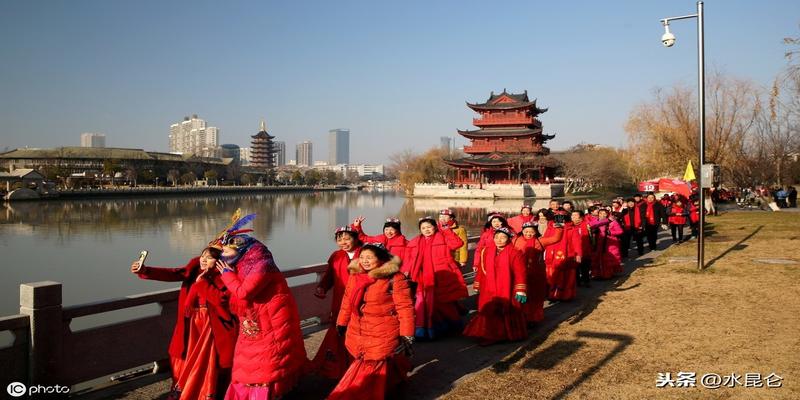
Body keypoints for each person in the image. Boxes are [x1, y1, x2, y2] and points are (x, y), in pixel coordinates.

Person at [212, 210, 307, 399]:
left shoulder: (261, 265)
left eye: (225, 251)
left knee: (268, 361)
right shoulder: (240, 265)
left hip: (271, 321)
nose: (222, 256)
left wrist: (227, 274)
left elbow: (244, 292)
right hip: (254, 321)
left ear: (242, 249)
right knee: (248, 362)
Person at [132, 247, 237, 400]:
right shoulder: (193, 270)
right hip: (190, 325)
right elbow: (172, 273)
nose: (203, 260)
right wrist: (145, 270)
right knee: (184, 360)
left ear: (220, 260)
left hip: (210, 328)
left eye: (209, 257)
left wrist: (202, 283)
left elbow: (221, 301)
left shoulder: (225, 276)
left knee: (207, 363)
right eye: (202, 256)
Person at [328, 243, 414, 400]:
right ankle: (390, 386)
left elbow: (405, 307)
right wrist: (341, 323)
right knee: (374, 362)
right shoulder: (355, 276)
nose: (365, 261)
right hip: (358, 328)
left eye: (369, 257)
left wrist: (407, 333)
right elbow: (347, 301)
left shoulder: (395, 278)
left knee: (371, 365)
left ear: (381, 259)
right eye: (362, 257)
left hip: (383, 329)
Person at [310, 226, 362, 379]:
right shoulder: (336, 256)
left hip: (361, 301)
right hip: (340, 301)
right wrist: (322, 287)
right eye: (339, 239)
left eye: (347, 239)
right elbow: (329, 276)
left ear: (356, 238)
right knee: (339, 331)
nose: (343, 242)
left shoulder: (366, 254)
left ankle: (358, 366)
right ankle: (339, 366)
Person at [404, 216, 468, 339]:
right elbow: (409, 259)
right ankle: (424, 329)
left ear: (435, 227)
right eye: (423, 228)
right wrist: (406, 271)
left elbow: (458, 243)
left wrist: (446, 230)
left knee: (444, 302)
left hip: (441, 275)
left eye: (429, 227)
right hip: (421, 277)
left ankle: (451, 327)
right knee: (423, 303)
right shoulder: (415, 241)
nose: (426, 230)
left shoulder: (443, 237)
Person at [464, 227, 527, 345]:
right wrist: (477, 284)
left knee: (504, 310)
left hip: (507, 287)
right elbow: (482, 271)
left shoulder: (515, 253)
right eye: (496, 237)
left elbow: (520, 272)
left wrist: (520, 289)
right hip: (488, 286)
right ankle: (488, 334)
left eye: (503, 237)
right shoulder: (486, 251)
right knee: (488, 309)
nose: (499, 240)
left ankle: (504, 334)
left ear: (509, 239)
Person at [513, 221, 562, 324]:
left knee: (536, 296)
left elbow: (556, 238)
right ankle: (522, 316)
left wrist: (559, 228)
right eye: (526, 231)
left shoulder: (540, 241)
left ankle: (534, 317)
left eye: (531, 231)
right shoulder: (516, 240)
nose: (528, 234)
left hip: (537, 273)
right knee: (522, 295)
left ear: (536, 232)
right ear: (522, 231)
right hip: (520, 272)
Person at [589, 209, 624, 279]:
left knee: (608, 259)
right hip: (598, 242)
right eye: (600, 213)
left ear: (607, 214)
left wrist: (611, 233)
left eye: (604, 214)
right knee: (597, 258)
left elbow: (620, 231)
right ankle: (597, 274)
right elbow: (590, 227)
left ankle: (608, 274)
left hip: (609, 242)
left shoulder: (613, 222)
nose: (602, 215)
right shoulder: (595, 221)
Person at [571, 210, 593, 288]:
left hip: (586, 249)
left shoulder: (586, 225)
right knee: (576, 267)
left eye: (575, 215)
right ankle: (577, 282)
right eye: (572, 215)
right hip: (575, 250)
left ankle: (586, 281)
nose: (573, 217)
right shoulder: (570, 226)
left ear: (581, 217)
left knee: (585, 267)